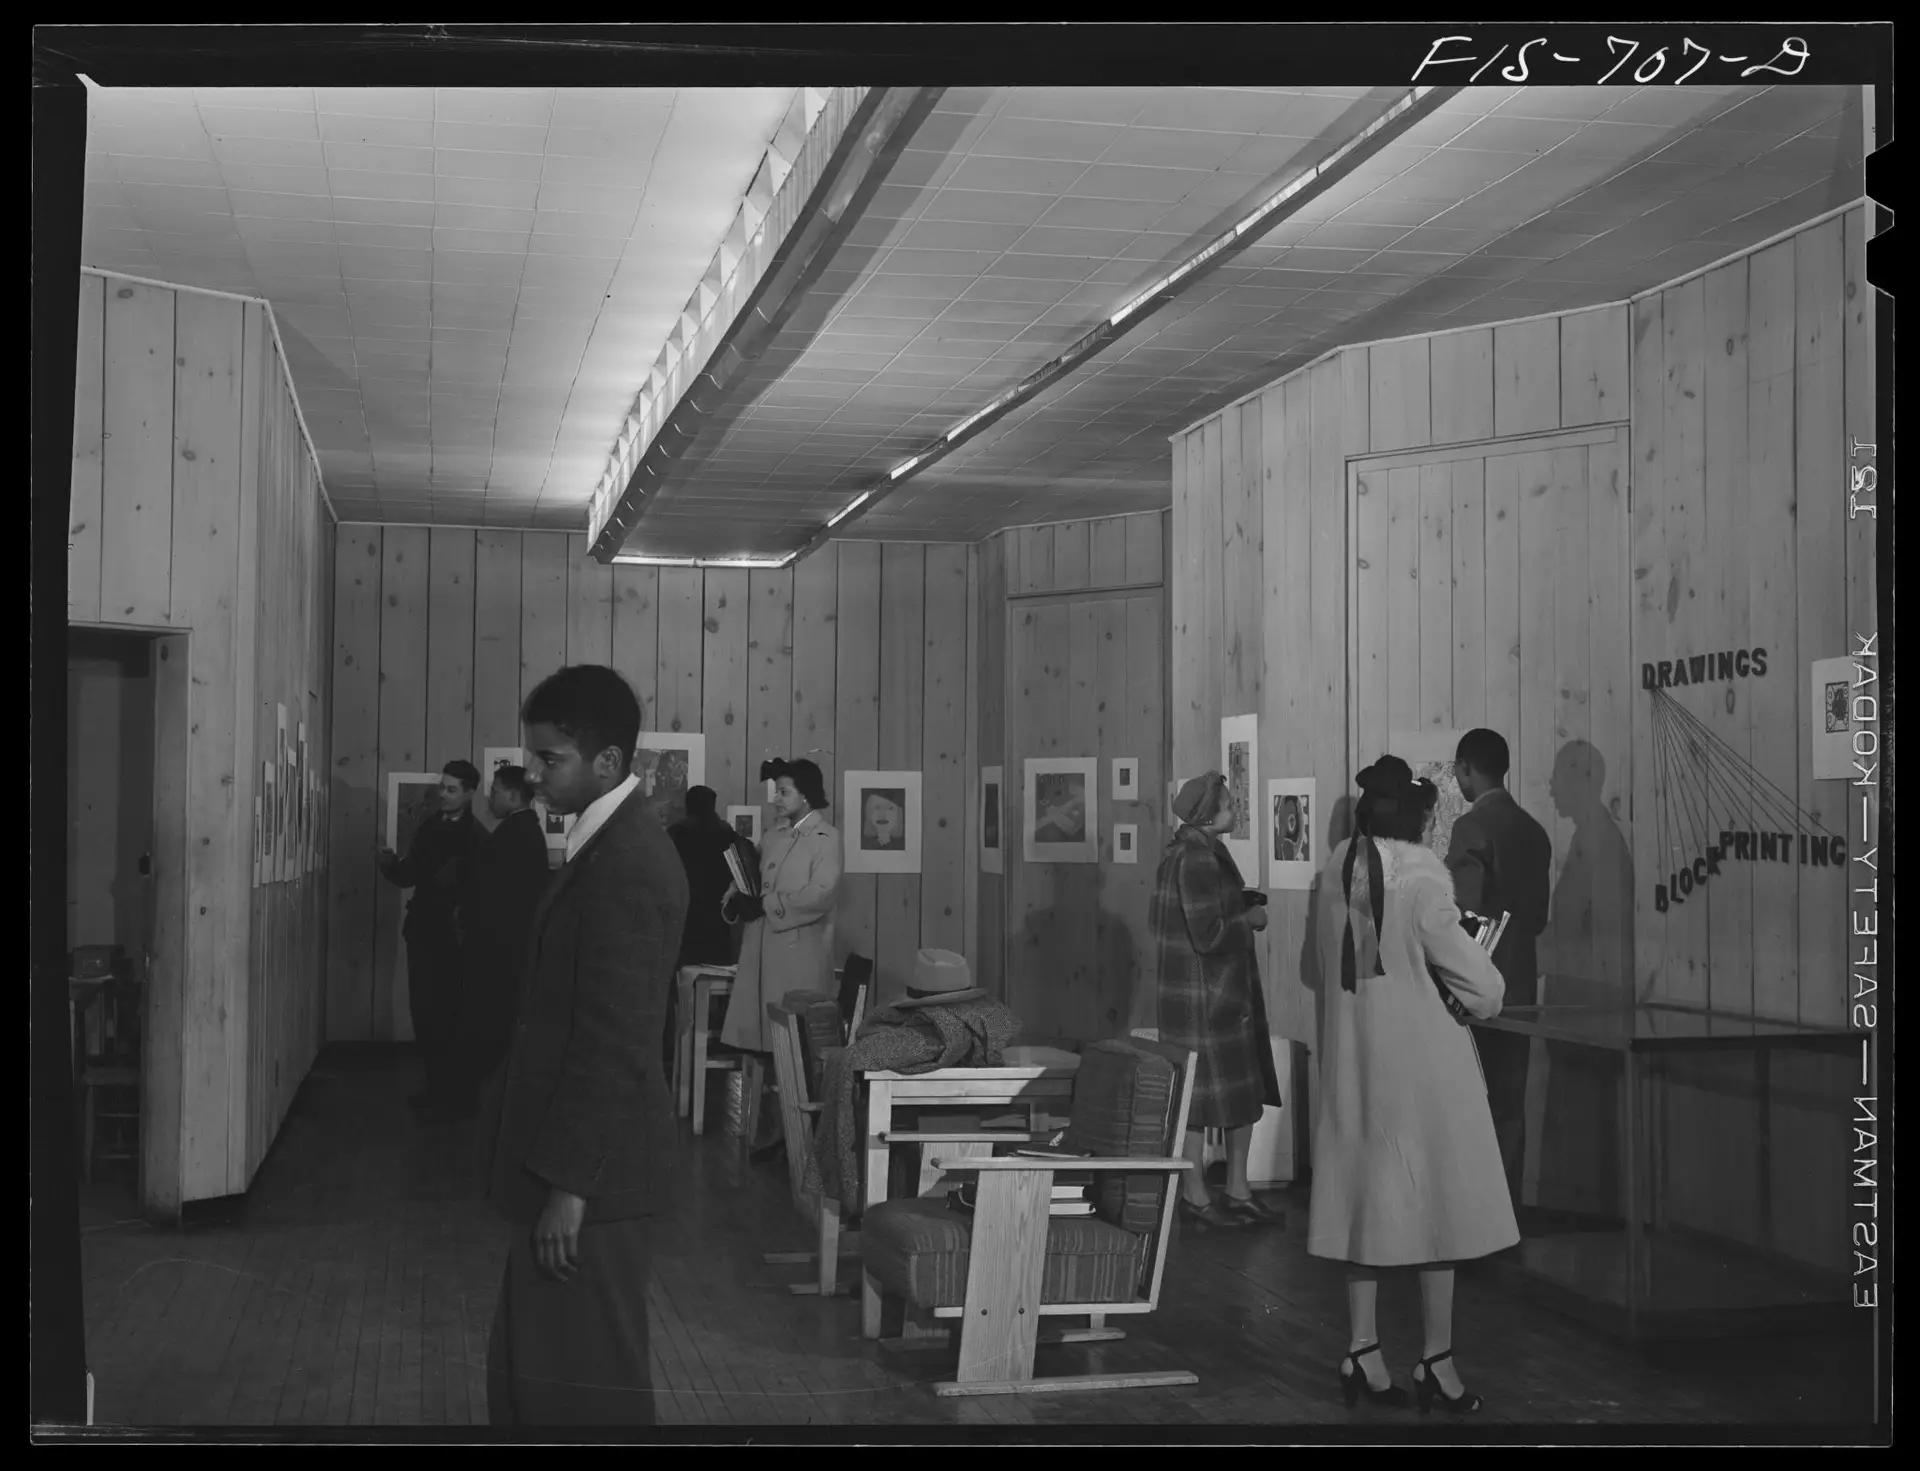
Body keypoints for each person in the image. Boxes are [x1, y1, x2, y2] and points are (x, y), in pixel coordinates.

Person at [475, 665, 689, 1426]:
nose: (534, 773)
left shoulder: (629, 862)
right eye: (532, 758)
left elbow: (615, 1041)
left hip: (592, 1178)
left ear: (607, 761)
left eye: (550, 759)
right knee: (542, 1373)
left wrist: (570, 1186)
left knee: (587, 1385)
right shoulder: (604, 847)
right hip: (571, 1162)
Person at [1308, 755, 1517, 1415]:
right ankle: (1436, 1357)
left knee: (1363, 1204)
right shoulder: (1424, 881)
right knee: (1441, 1214)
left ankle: (1363, 1347)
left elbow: (1320, 971)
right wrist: (1482, 983)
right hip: (1423, 1072)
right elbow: (1481, 988)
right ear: (1421, 821)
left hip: (1357, 1065)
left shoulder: (1337, 873)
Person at [1150, 771, 1286, 1230]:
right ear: (1208, 815)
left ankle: (1224, 1192)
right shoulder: (1199, 860)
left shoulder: (1186, 853)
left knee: (1204, 1096)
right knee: (1211, 1097)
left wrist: (1237, 902)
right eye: (1228, 805)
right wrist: (1249, 919)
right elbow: (1209, 935)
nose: (1234, 810)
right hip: (1211, 997)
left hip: (1196, 996)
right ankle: (1205, 1195)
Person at [1445, 728, 1553, 1204]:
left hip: (1476, 983)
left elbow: (1462, 917)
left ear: (1467, 768)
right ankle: (1507, 1209)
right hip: (1522, 980)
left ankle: (1474, 1211)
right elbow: (1538, 918)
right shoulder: (1533, 829)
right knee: (1510, 1102)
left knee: (1472, 1101)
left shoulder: (1471, 828)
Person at [718, 758, 843, 1160]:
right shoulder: (773, 836)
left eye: (784, 790)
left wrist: (766, 904)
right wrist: (737, 900)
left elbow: (820, 896)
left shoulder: (826, 837)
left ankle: (795, 1136)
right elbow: (751, 879)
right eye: (776, 790)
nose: (776, 798)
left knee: (792, 1044)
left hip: (798, 956)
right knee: (766, 1045)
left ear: (806, 793)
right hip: (762, 951)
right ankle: (770, 1128)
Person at [378, 759, 484, 1119]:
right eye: (443, 786)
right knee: (423, 1012)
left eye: (452, 789)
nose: (444, 793)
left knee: (450, 1015)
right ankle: (436, 1086)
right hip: (422, 934)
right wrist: (390, 865)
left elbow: (478, 896)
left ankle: (453, 1092)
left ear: (470, 793)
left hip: (455, 941)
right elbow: (410, 874)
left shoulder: (476, 838)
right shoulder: (429, 828)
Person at [452, 764, 551, 1116]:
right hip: (505, 949)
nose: (490, 798)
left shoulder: (515, 834)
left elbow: (495, 898)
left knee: (493, 1026)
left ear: (512, 795)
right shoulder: (520, 830)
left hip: (499, 951)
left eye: (495, 791)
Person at [668, 786, 751, 969]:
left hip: (684, 916)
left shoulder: (675, 834)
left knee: (683, 976)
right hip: (717, 917)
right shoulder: (728, 835)